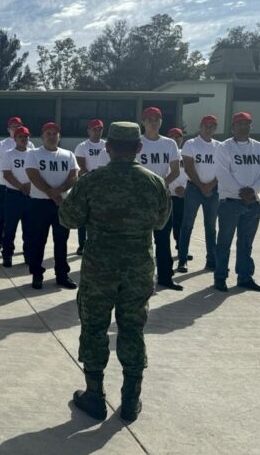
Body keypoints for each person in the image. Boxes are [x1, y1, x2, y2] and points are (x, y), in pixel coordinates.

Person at [59, 121, 171, 423]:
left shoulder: (92, 181)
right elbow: (160, 223)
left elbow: (68, 219)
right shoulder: (154, 182)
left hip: (99, 269)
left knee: (95, 328)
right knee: (132, 329)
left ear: (108, 148)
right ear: (138, 147)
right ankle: (130, 401)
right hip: (138, 268)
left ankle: (94, 396)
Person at [214, 112, 260, 292]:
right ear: (233, 127)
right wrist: (241, 191)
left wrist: (252, 191)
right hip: (230, 202)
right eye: (239, 123)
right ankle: (220, 277)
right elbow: (223, 174)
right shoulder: (224, 148)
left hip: (253, 203)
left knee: (245, 243)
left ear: (251, 126)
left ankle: (245, 277)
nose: (243, 126)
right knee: (224, 242)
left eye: (247, 123)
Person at [25, 122, 79, 290]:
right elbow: (33, 175)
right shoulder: (33, 154)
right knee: (38, 241)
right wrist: (50, 192)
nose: (51, 136)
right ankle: (37, 274)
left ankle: (62, 275)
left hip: (62, 204)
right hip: (40, 204)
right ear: (42, 137)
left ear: (59, 136)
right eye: (48, 133)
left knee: (61, 241)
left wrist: (59, 191)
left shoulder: (68, 155)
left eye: (55, 133)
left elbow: (74, 176)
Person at [137, 107, 182, 291]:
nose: (153, 122)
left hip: (162, 198)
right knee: (140, 240)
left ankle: (165, 276)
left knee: (163, 240)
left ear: (161, 122)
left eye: (157, 119)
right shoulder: (136, 143)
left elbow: (175, 170)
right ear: (143, 122)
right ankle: (140, 278)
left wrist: (161, 184)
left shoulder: (169, 144)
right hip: (141, 199)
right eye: (149, 119)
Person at [177, 115, 220, 272]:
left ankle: (211, 259)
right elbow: (188, 167)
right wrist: (201, 185)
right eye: (206, 125)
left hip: (213, 190)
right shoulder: (191, 144)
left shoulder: (219, 146)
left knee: (210, 227)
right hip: (194, 189)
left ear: (215, 128)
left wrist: (211, 184)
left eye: (212, 126)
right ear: (201, 126)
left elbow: (223, 169)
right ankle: (182, 260)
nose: (209, 128)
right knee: (187, 225)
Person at [0, 116, 34, 256]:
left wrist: (27, 184)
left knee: (27, 221)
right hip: (6, 186)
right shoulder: (2, 145)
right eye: (13, 126)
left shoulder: (31, 145)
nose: (16, 128)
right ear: (8, 129)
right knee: (3, 217)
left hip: (28, 189)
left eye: (18, 125)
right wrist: (17, 184)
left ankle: (26, 250)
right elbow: (0, 167)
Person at [73, 119, 109, 255]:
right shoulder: (82, 147)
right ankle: (82, 245)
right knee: (84, 216)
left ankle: (99, 243)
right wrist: (93, 180)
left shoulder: (107, 146)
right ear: (88, 131)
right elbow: (81, 167)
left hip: (103, 186)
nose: (97, 132)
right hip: (87, 185)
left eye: (99, 129)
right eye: (94, 129)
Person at [1, 126, 34, 268]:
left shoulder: (34, 154)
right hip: (14, 195)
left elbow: (38, 173)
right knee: (9, 228)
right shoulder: (9, 154)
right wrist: (21, 186)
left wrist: (29, 185)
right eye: (21, 137)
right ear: (15, 139)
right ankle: (7, 255)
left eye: (26, 137)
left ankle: (28, 255)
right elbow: (7, 174)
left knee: (29, 229)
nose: (24, 139)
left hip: (31, 196)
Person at [166, 127, 188, 260]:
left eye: (179, 136)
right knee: (168, 225)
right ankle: (165, 251)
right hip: (169, 193)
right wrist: (173, 188)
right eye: (173, 136)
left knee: (182, 224)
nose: (176, 139)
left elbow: (191, 172)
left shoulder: (186, 154)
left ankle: (182, 248)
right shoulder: (166, 152)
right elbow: (166, 173)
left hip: (183, 194)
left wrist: (184, 188)